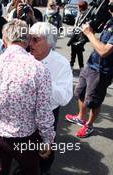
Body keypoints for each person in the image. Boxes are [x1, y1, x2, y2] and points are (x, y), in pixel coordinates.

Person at [0, 19, 55, 175]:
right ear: (27, 41)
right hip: (25, 139)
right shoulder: (39, 69)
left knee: (0, 169)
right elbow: (44, 111)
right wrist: (47, 140)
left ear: (4, 40)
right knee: (30, 171)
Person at [29, 22, 73, 175]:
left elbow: (64, 98)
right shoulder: (25, 58)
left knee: (45, 149)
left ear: (49, 42)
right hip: (24, 112)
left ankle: (44, 169)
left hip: (48, 114)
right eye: (30, 38)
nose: (30, 43)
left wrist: (43, 82)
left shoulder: (61, 63)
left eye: (36, 39)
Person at [65, 0, 113, 138]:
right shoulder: (110, 19)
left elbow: (104, 51)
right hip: (91, 64)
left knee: (93, 101)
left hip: (102, 70)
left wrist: (89, 34)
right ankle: (81, 117)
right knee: (79, 92)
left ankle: (89, 125)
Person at [70, 0, 88, 70]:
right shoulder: (79, 13)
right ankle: (71, 65)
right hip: (75, 34)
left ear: (81, 7)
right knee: (73, 51)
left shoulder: (86, 15)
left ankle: (81, 67)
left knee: (79, 52)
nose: (77, 7)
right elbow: (76, 23)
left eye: (78, 6)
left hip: (81, 36)